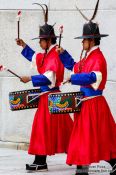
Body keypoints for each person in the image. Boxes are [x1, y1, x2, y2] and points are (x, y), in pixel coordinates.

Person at [57, 1, 116, 175]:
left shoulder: (98, 58)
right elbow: (76, 67)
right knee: (87, 138)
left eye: (84, 40)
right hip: (85, 104)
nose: (82, 42)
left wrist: (72, 78)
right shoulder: (88, 56)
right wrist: (63, 54)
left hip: (94, 104)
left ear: (91, 40)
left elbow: (92, 77)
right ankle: (82, 168)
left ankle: (88, 167)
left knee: (99, 137)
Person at [16, 4, 73, 172]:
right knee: (61, 131)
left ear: (48, 41)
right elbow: (36, 57)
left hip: (52, 98)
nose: (40, 42)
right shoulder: (48, 53)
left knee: (54, 131)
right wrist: (24, 46)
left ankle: (79, 157)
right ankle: (41, 161)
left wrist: (30, 78)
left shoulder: (55, 55)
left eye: (41, 40)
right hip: (49, 99)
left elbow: (49, 77)